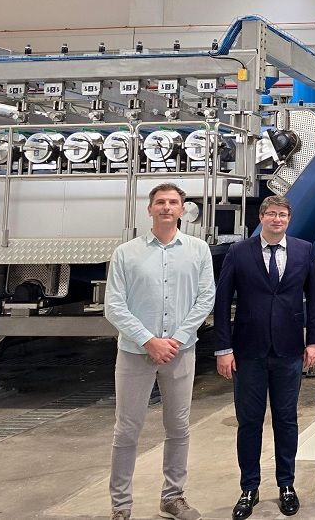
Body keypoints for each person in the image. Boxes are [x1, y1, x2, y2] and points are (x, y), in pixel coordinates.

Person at [104, 183, 215, 520]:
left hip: (180, 352)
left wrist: (177, 339)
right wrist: (148, 340)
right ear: (149, 209)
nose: (167, 207)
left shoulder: (198, 250)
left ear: (183, 210)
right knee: (127, 429)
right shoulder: (126, 253)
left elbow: (205, 298)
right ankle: (121, 505)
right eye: (161, 202)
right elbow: (114, 306)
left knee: (178, 427)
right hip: (135, 353)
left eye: (173, 202)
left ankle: (173, 497)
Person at [213, 195, 315, 519]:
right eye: (272, 214)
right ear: (261, 217)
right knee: (249, 422)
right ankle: (249, 487)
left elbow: (314, 299)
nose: (277, 219)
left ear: (289, 219)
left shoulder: (303, 250)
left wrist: (314, 342)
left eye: (282, 215)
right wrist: (223, 348)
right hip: (248, 351)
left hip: (289, 350)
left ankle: (286, 484)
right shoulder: (239, 252)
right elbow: (222, 301)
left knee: (286, 420)